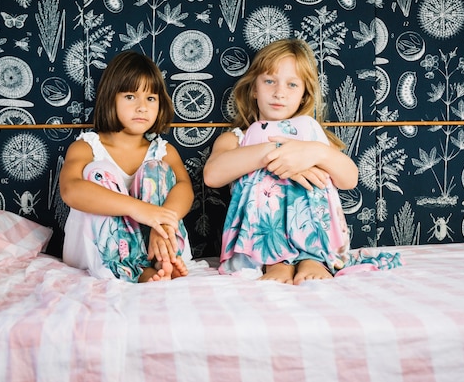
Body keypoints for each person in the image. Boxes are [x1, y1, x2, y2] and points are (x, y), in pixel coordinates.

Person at [203, 38, 400, 284]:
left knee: (312, 132)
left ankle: (312, 256)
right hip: (262, 241)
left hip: (313, 234)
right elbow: (212, 175)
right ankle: (276, 260)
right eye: (269, 81)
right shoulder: (237, 138)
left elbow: (349, 179)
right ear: (254, 88)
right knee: (263, 175)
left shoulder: (311, 135)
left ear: (304, 94)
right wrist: (275, 155)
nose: (279, 93)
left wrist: (316, 153)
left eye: (292, 84)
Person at [60, 50, 193, 283]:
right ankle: (134, 270)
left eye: (151, 98)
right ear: (110, 98)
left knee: (157, 169)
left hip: (151, 241)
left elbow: (185, 189)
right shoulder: (86, 148)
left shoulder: (164, 151)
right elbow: (71, 190)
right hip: (96, 251)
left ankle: (162, 259)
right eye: (131, 97)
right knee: (99, 172)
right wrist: (139, 209)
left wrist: (160, 222)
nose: (142, 107)